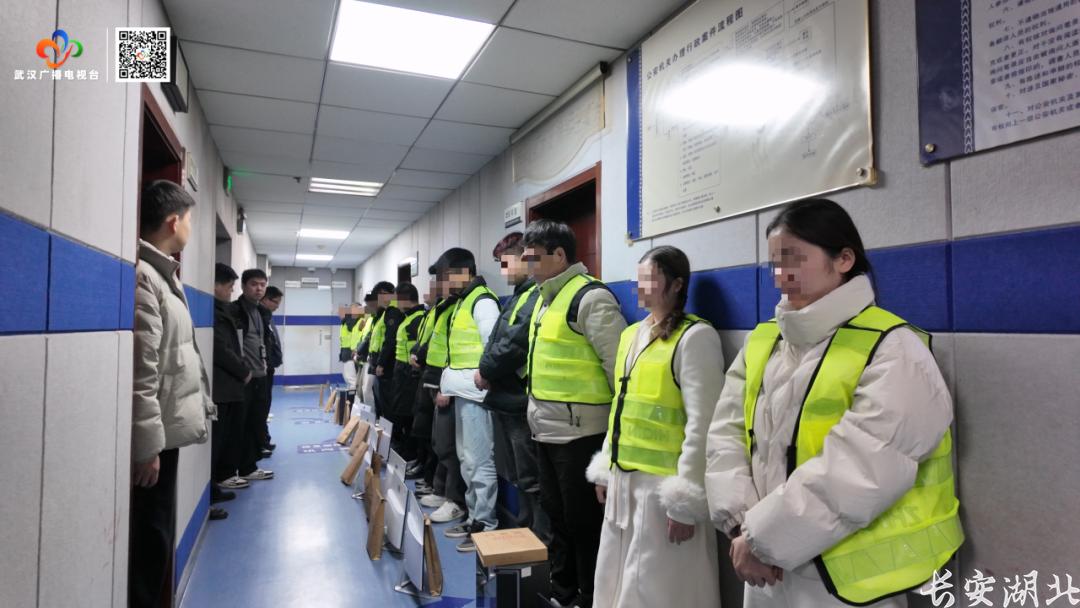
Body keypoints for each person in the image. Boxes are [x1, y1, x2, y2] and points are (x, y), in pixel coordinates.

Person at [705, 198, 963, 608]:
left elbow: (864, 467)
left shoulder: (894, 348)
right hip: (761, 564)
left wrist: (761, 538)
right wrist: (740, 526)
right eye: (774, 263)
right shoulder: (764, 340)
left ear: (844, 259)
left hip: (846, 578)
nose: (780, 276)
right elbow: (726, 434)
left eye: (794, 259)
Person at [587, 246, 723, 608]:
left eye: (650, 279)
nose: (640, 287)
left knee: (659, 589)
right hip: (624, 483)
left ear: (676, 285)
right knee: (616, 578)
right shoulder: (631, 335)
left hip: (661, 490)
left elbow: (703, 425)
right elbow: (621, 407)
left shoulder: (695, 338)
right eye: (639, 279)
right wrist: (606, 468)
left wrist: (685, 501)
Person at [522, 220, 627, 608]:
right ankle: (562, 588)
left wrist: (617, 438)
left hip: (582, 434)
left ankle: (590, 594)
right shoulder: (544, 300)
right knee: (555, 515)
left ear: (560, 255)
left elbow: (620, 370)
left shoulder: (590, 297)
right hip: (545, 430)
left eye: (534, 258)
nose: (528, 266)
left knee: (584, 522)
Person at [130, 180, 215, 607]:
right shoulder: (146, 278)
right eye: (190, 220)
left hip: (167, 429)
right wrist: (147, 445)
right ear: (172, 221)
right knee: (151, 536)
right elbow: (142, 370)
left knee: (158, 532)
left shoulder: (164, 276)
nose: (190, 229)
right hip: (155, 438)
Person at [473, 232, 549, 542]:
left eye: (506, 263)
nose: (503, 270)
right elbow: (497, 339)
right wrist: (487, 368)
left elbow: (514, 343)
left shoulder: (535, 296)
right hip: (505, 399)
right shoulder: (519, 295)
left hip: (519, 401)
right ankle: (524, 536)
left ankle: (539, 543)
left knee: (531, 478)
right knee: (520, 476)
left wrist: (486, 370)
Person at [433, 248, 501, 553]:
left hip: (477, 394)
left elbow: (492, 346)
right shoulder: (463, 301)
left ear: (465, 272)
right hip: (463, 392)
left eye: (447, 276)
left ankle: (485, 524)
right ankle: (475, 516)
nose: (444, 283)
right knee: (466, 459)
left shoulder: (482, 300)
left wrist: (484, 375)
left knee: (478, 460)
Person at [211, 263, 250, 512]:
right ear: (215, 285)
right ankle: (214, 487)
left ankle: (217, 483)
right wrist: (243, 370)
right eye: (229, 286)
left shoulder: (223, 311)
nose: (231, 291)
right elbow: (221, 349)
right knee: (218, 440)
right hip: (222, 387)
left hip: (228, 386)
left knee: (225, 438)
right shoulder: (215, 313)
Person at [232, 269, 274, 482]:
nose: (259, 288)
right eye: (254, 284)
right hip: (245, 378)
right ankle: (237, 469)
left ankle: (249, 467)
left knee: (255, 422)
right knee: (241, 425)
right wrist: (243, 371)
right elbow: (232, 345)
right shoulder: (236, 311)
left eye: (262, 285)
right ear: (243, 286)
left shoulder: (261, 312)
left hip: (260, 375)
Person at [388, 282, 426, 460]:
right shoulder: (408, 318)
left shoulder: (417, 318)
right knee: (402, 413)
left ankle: (411, 454)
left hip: (409, 374)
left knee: (409, 415)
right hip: (402, 372)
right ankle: (405, 449)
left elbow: (416, 351)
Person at [373, 281, 405, 417]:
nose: (380, 298)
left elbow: (390, 340)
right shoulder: (387, 312)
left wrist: (381, 363)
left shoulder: (393, 311)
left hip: (389, 363)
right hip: (387, 361)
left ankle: (390, 428)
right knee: (383, 397)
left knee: (388, 400)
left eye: (383, 294)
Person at [260, 285, 283, 454]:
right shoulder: (260, 316)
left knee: (265, 406)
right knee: (260, 407)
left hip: (268, 369)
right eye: (275, 302)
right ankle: (260, 443)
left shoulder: (268, 317)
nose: (277, 306)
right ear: (266, 299)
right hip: (261, 370)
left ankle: (264, 439)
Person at [354, 294, 379, 404]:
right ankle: (365, 412)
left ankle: (371, 413)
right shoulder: (367, 321)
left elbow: (369, 339)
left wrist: (360, 352)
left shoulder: (375, 320)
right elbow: (364, 338)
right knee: (361, 388)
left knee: (366, 390)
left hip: (371, 358)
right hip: (365, 358)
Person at [339, 303, 364, 395]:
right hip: (346, 353)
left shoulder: (356, 321)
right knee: (348, 378)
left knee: (352, 380)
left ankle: (353, 400)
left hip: (351, 352)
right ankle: (351, 400)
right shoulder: (347, 321)